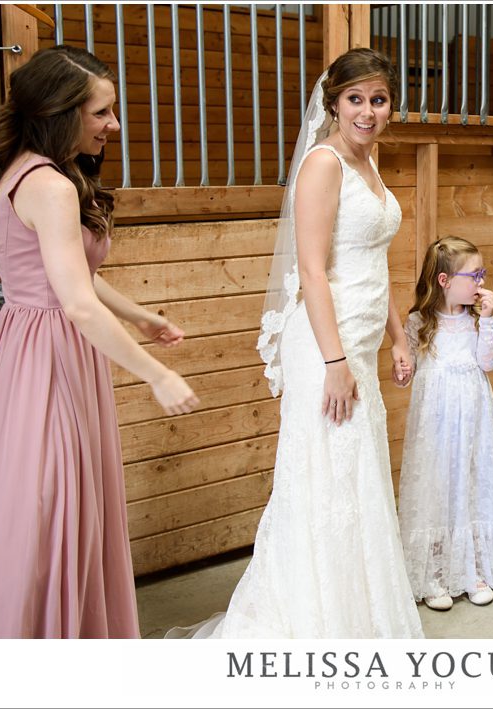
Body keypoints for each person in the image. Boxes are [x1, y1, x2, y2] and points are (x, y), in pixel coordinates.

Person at [0, 46, 199, 639]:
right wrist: (156, 373)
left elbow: (71, 274)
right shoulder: (52, 186)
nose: (114, 125)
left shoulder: (27, 170)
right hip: (49, 358)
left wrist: (139, 316)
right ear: (60, 112)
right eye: (101, 113)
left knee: (39, 509)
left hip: (29, 348)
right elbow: (77, 303)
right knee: (49, 510)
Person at [167, 48, 423, 638]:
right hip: (327, 347)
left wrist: (397, 337)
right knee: (326, 478)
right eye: (355, 99)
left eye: (379, 100)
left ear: (391, 107)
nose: (367, 112)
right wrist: (335, 362)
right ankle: (314, 623)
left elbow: (372, 262)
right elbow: (312, 271)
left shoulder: (369, 163)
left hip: (360, 343)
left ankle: (358, 614)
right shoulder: (323, 165)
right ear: (333, 103)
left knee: (356, 476)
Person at [396, 236, 493, 611]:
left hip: (473, 424)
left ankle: (470, 568)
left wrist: (489, 320)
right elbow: (407, 374)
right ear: (444, 281)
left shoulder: (475, 320)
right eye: (473, 275)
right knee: (436, 488)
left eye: (482, 274)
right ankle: (434, 574)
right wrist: (401, 370)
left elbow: (487, 362)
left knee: (469, 485)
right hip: (435, 426)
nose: (481, 282)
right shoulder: (419, 323)